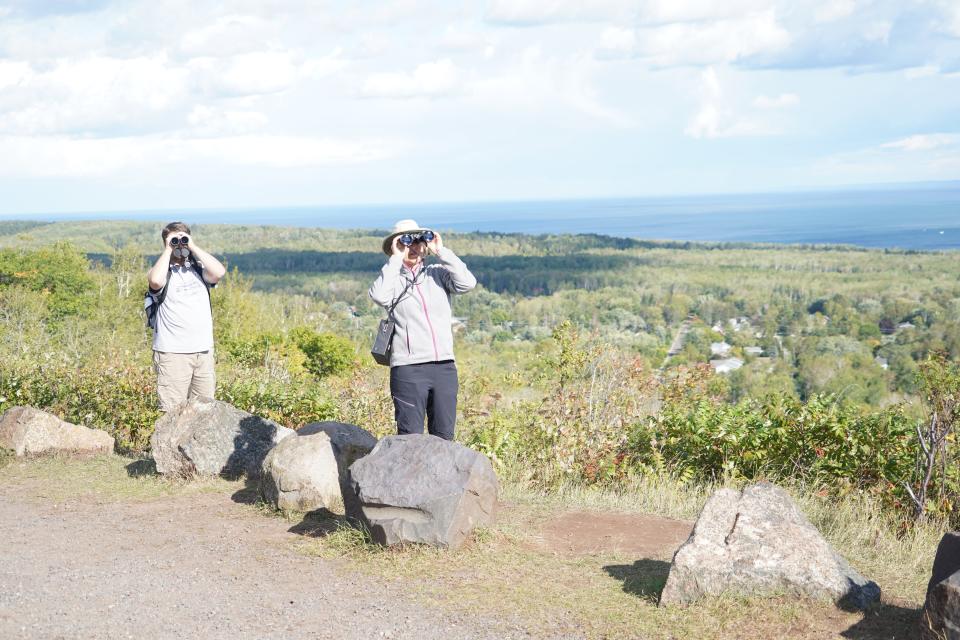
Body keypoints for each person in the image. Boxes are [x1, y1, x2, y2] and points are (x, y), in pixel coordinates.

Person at [369, 219, 477, 440]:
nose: (414, 246)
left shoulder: (437, 274)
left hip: (444, 367)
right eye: (406, 241)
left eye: (418, 240)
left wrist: (441, 251)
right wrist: (396, 259)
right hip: (409, 369)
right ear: (395, 246)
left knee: (444, 437)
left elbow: (468, 283)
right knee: (410, 438)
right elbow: (379, 296)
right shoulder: (393, 280)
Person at [146, 222, 227, 412]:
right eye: (175, 240)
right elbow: (155, 281)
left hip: (203, 352)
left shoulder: (198, 270)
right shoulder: (163, 273)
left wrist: (192, 246)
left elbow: (219, 272)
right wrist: (168, 249)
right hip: (173, 354)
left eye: (182, 239)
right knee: (172, 413)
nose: (179, 244)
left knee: (205, 412)